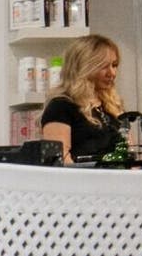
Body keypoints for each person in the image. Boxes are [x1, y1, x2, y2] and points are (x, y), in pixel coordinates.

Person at [35, 33, 134, 164]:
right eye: (104, 66)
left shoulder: (112, 105)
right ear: (85, 67)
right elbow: (60, 159)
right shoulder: (61, 106)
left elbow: (130, 151)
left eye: (114, 65)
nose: (112, 73)